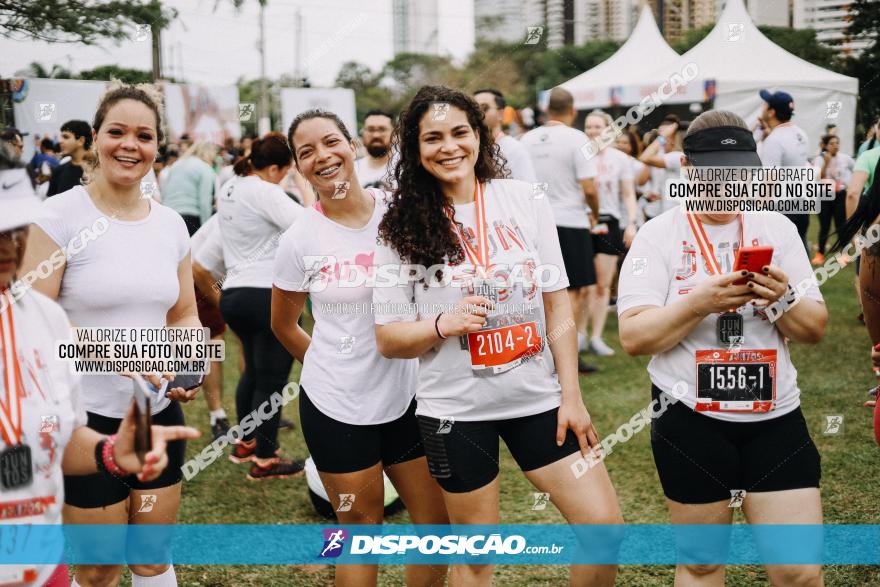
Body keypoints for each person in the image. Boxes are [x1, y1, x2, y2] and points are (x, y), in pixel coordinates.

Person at [373, 85, 622, 587]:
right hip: (456, 412)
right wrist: (443, 324)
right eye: (433, 138)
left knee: (604, 530)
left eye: (460, 132)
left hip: (539, 401)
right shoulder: (397, 225)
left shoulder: (523, 199)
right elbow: (389, 337)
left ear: (479, 135)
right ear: (415, 149)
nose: (449, 147)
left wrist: (570, 395)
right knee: (477, 559)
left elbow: (557, 302)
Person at [619, 110, 826, 586]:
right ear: (688, 170)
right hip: (689, 417)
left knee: (798, 572)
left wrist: (782, 298)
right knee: (703, 565)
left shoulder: (777, 227)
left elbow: (814, 329)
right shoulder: (658, 234)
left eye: (739, 173)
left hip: (775, 416)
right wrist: (700, 302)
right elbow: (634, 336)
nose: (727, 184)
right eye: (713, 172)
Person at [20, 81, 204, 587]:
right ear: (96, 137)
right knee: (99, 569)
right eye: (117, 132)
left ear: (156, 146)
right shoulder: (57, 217)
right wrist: (126, 355)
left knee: (151, 559)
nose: (130, 145)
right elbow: (32, 322)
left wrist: (186, 362)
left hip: (156, 417)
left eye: (144, 135)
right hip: (87, 424)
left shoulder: (170, 226)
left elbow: (184, 313)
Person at [272, 109, 448, 587]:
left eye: (330, 142)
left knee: (436, 527)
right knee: (360, 531)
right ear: (297, 166)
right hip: (335, 407)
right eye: (306, 152)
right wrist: (333, 365)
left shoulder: (399, 213)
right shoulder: (299, 238)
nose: (322, 157)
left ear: (351, 144)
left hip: (408, 400)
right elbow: (284, 325)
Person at [217, 132, 305, 480]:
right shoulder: (266, 190)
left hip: (234, 293)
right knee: (271, 380)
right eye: (285, 170)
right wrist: (301, 184)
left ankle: (247, 443)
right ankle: (267, 459)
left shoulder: (229, 187)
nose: (285, 177)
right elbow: (307, 227)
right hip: (265, 293)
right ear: (274, 168)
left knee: (252, 373)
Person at [520, 87, 600, 374]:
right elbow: (589, 186)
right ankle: (568, 353)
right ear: (573, 110)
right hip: (571, 220)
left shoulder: (525, 140)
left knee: (541, 290)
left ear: (545, 110)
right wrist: (595, 211)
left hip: (534, 223)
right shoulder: (578, 139)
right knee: (574, 292)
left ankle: (545, 350)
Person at [582, 111, 637, 357]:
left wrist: (632, 222)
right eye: (588, 126)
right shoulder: (580, 155)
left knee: (603, 285)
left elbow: (627, 193)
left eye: (597, 126)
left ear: (608, 130)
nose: (592, 130)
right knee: (583, 284)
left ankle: (597, 337)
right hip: (582, 222)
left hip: (610, 222)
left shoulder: (619, 159)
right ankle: (580, 335)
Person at [190, 215, 231, 440]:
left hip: (219, 278)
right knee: (212, 342)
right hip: (196, 277)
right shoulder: (233, 216)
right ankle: (217, 416)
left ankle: (260, 410)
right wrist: (223, 303)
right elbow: (199, 268)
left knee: (249, 339)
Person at [757, 90, 811, 252]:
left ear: (771, 112)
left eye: (765, 104)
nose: (763, 107)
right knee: (799, 253)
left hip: (782, 207)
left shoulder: (775, 140)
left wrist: (758, 212)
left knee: (780, 257)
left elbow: (769, 181)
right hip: (801, 203)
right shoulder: (801, 134)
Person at [473, 88, 536, 182]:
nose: (478, 114)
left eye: (484, 108)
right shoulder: (471, 148)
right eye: (473, 109)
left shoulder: (514, 148)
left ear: (500, 113)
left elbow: (530, 187)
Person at [811, 134, 854, 265]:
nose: (835, 145)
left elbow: (856, 169)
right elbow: (819, 177)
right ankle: (820, 254)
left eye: (837, 143)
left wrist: (849, 184)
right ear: (825, 146)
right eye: (832, 143)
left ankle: (844, 254)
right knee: (824, 226)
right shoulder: (819, 159)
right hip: (824, 195)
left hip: (840, 195)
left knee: (841, 225)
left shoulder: (846, 158)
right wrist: (827, 162)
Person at [160, 141, 217, 235]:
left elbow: (164, 192)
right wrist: (206, 231)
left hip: (170, 215)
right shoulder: (205, 168)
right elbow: (204, 202)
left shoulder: (176, 165)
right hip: (192, 217)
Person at [639, 116, 685, 221]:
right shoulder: (665, 155)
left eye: (666, 135)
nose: (661, 138)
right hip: (664, 211)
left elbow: (644, 157)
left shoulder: (678, 156)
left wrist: (662, 137)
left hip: (675, 215)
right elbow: (641, 180)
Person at [46, 120, 91, 197]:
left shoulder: (100, 170)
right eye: (61, 137)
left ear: (81, 140)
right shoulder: (58, 171)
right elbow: (51, 204)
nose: (60, 141)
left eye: (66, 137)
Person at [354, 109, 396, 190]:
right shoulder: (352, 170)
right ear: (362, 134)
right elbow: (338, 200)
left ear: (394, 134)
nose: (376, 135)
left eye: (382, 129)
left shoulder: (407, 168)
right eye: (370, 129)